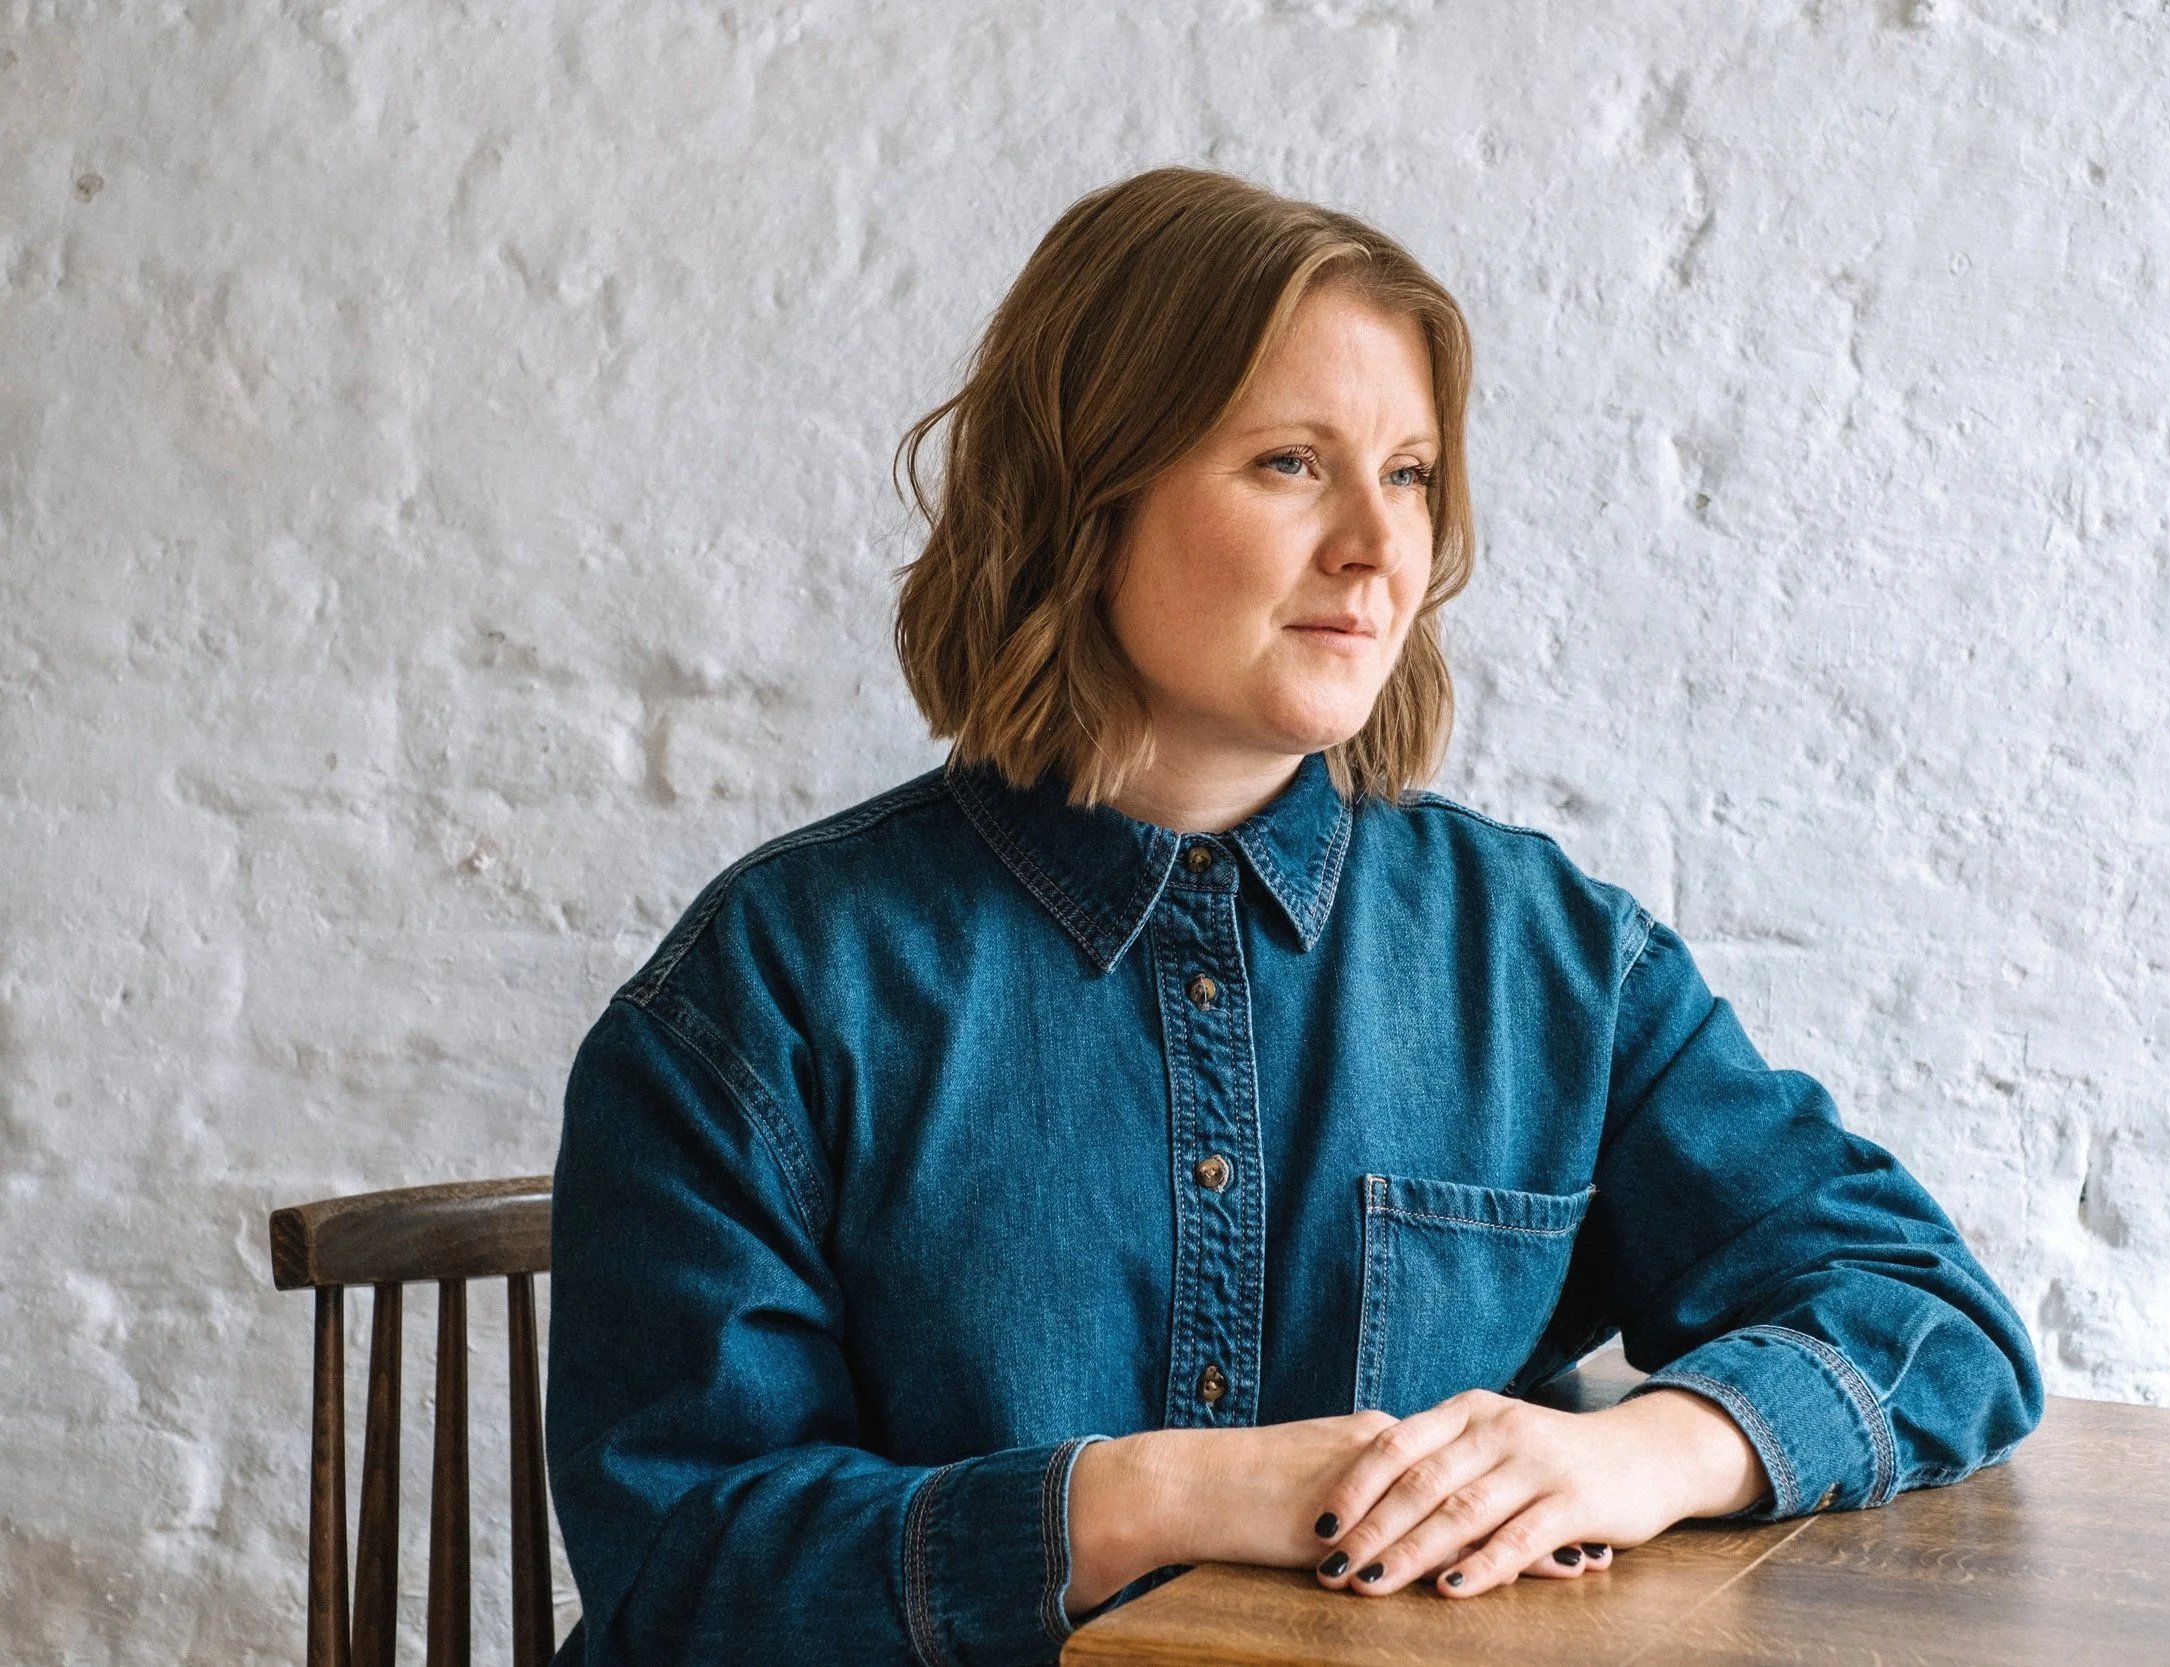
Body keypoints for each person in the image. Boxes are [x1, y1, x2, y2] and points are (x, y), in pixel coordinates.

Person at [543, 165, 2043, 1667]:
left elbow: (1924, 1313)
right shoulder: (769, 991)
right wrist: (1154, 1499)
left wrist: (1641, 1453)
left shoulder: (1548, 959)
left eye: (1408, 475)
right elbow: (683, 1569)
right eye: (1289, 465)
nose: (1379, 552)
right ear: (1086, 493)